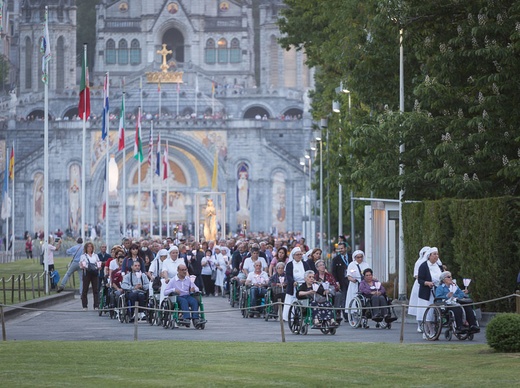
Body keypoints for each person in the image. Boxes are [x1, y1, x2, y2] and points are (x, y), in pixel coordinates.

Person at [417, 247, 443, 339]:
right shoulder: (423, 266)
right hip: (426, 292)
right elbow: (420, 280)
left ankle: (434, 329)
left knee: (435, 312)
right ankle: (429, 330)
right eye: (434, 254)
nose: (436, 256)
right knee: (427, 311)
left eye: (437, 254)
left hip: (438, 290)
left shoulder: (439, 266)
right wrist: (427, 283)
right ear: (429, 256)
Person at [282, 247, 310, 321]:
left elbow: (308, 272)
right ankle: (289, 316)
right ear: (293, 256)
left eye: (300, 254)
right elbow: (289, 275)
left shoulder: (305, 264)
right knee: (292, 299)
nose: (299, 256)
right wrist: (293, 282)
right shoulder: (290, 265)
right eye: (297, 255)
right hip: (294, 284)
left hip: (304, 284)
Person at [408, 246, 431, 331]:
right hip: (420, 285)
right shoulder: (419, 262)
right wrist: (425, 282)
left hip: (430, 286)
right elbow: (417, 276)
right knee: (420, 305)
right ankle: (419, 324)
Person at [331, 242, 351, 318]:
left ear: (345, 248)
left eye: (342, 248)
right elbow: (334, 271)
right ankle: (345, 315)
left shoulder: (351, 257)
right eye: (339, 249)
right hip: (341, 281)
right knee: (344, 297)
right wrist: (336, 282)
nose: (340, 250)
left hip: (351, 279)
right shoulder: (336, 259)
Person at [79, 242, 101, 310]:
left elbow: (98, 262)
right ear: (86, 248)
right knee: (85, 289)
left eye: (91, 246)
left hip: (94, 273)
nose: (90, 248)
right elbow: (80, 264)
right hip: (87, 272)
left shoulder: (95, 255)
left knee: (96, 289)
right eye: (88, 247)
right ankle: (85, 305)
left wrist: (99, 266)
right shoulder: (83, 256)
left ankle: (96, 305)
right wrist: (82, 266)